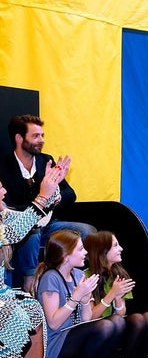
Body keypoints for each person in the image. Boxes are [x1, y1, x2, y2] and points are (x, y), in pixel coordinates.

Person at [0, 160, 67, 358]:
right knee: (15, 322)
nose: (4, 192)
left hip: (2, 294)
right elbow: (13, 232)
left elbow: (33, 219)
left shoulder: (3, 213)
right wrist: (41, 195)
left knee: (31, 308)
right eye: (0, 188)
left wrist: (53, 186)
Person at [0, 114, 96, 293]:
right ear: (19, 138)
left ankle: (76, 281)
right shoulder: (4, 166)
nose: (41, 140)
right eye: (35, 136)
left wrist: (55, 197)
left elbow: (70, 194)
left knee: (87, 231)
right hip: (20, 229)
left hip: (50, 226)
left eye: (42, 135)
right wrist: (42, 200)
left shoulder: (46, 161)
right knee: (32, 231)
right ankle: (30, 281)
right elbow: (7, 207)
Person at [34, 230, 124, 358]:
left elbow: (86, 320)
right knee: (105, 326)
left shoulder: (78, 275)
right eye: (81, 249)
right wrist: (76, 298)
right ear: (66, 256)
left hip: (74, 334)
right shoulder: (50, 278)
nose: (85, 253)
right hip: (56, 342)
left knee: (117, 322)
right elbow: (53, 323)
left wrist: (84, 301)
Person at [84, 231, 148, 358]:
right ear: (102, 252)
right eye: (115, 246)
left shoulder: (119, 274)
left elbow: (121, 312)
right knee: (136, 320)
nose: (121, 249)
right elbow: (91, 316)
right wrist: (112, 294)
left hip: (116, 325)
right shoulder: (86, 276)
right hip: (97, 330)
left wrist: (118, 299)